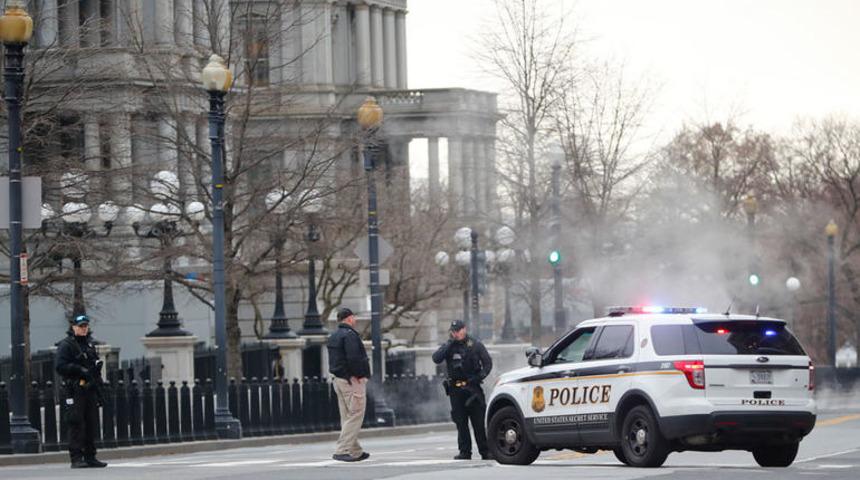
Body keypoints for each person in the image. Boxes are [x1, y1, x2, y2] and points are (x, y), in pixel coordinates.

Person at [432, 320, 493, 460]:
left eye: (458, 330)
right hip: (455, 389)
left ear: (464, 329)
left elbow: (487, 363)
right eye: (454, 331)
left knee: (478, 422)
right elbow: (436, 358)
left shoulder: (475, 344)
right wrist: (449, 343)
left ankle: (485, 451)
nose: (456, 333)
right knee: (461, 422)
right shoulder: (449, 345)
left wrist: (479, 377)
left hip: (472, 388)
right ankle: (465, 451)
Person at [54, 314, 107, 469]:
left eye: (85, 326)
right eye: (80, 326)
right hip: (74, 388)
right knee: (76, 422)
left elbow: (94, 367)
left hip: (89, 388)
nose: (83, 329)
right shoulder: (67, 345)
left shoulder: (89, 345)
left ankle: (90, 456)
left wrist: (99, 384)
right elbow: (60, 366)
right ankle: (76, 457)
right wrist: (78, 369)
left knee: (91, 423)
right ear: (74, 327)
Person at [327, 307, 371, 462]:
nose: (356, 320)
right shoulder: (350, 335)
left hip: (338, 380)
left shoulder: (334, 336)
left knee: (347, 416)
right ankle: (342, 449)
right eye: (354, 317)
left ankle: (355, 450)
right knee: (356, 414)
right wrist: (360, 375)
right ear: (349, 318)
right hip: (351, 380)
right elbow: (354, 358)